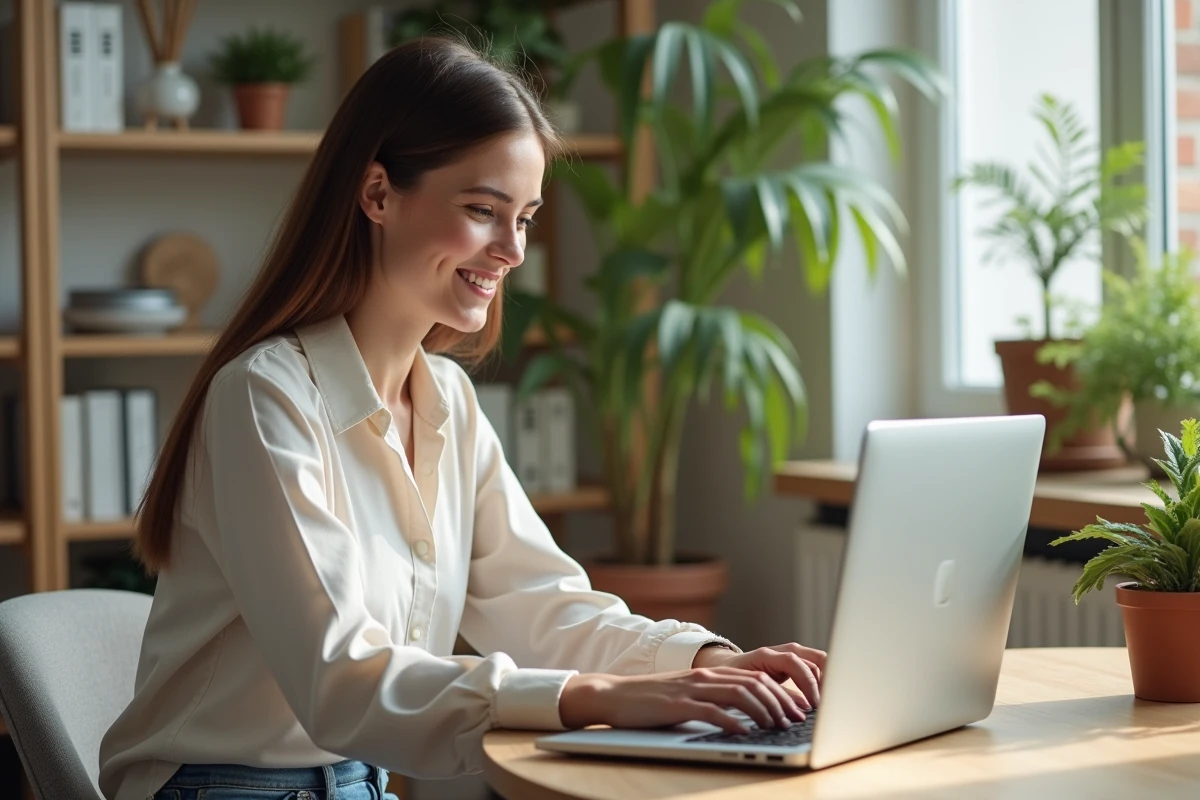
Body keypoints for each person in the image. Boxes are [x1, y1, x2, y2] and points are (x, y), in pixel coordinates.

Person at [98, 37, 826, 800]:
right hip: (219, 787)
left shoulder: (448, 401)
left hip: (358, 781)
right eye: (483, 211)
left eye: (526, 218)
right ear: (377, 194)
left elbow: (542, 604)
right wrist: (596, 697)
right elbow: (339, 676)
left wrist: (706, 663)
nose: (510, 250)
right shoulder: (264, 395)